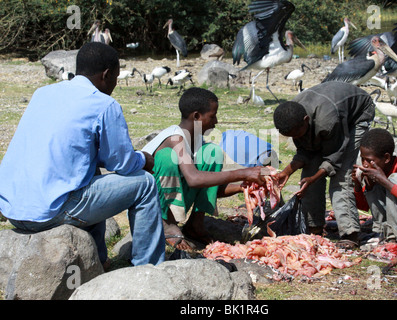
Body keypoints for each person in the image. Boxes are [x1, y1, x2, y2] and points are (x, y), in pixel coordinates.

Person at [0, 42, 165, 267]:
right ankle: (149, 267)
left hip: (13, 209)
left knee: (89, 171)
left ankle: (97, 261)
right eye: (115, 78)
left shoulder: (43, 93)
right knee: (144, 184)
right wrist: (144, 158)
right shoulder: (104, 104)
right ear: (106, 75)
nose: (115, 85)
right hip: (49, 213)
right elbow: (123, 163)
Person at [142, 87, 265, 251]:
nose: (216, 121)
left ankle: (195, 223)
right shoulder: (174, 138)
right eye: (212, 116)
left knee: (212, 153)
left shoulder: (199, 142)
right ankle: (167, 224)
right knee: (167, 158)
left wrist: (242, 185)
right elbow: (194, 179)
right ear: (197, 116)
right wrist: (244, 172)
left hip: (176, 195)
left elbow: (210, 187)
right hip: (150, 204)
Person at [273, 81, 375, 249]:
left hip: (356, 115)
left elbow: (335, 157)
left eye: (296, 134)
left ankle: (350, 233)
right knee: (309, 171)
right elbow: (306, 151)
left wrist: (314, 178)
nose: (295, 138)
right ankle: (314, 227)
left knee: (341, 176)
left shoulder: (327, 121)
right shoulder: (292, 117)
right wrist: (286, 172)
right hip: (329, 113)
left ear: (306, 120)